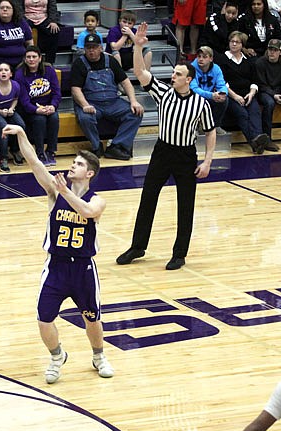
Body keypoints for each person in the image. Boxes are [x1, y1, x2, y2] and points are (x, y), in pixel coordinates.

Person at [2, 124, 114, 384]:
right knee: (44, 318)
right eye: (72, 162)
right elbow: (33, 162)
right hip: (56, 266)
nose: (71, 166)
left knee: (92, 317)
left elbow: (87, 212)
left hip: (83, 268)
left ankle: (99, 356)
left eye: (77, 163)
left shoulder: (98, 199)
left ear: (90, 173)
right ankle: (56, 356)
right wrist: (21, 133)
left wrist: (65, 192)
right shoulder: (55, 191)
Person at [116, 22, 215, 270]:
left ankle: (179, 253)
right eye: (173, 73)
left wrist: (207, 160)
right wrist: (138, 47)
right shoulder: (163, 92)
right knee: (148, 197)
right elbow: (140, 73)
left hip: (185, 155)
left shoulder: (201, 104)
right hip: (162, 151)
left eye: (178, 74)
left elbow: (211, 131)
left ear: (189, 80)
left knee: (185, 204)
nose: (173, 76)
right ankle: (138, 246)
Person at [71, 33, 144, 160]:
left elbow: (126, 82)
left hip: (113, 102)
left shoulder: (110, 61)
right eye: (88, 47)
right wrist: (85, 105)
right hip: (92, 103)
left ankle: (116, 146)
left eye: (94, 47)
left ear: (100, 48)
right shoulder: (79, 63)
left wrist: (133, 101)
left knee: (136, 113)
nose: (91, 51)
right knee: (85, 117)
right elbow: (75, 89)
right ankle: (96, 147)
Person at [216, 31, 271, 154]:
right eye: (232, 41)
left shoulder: (249, 60)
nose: (234, 44)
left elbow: (254, 80)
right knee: (242, 114)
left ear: (242, 45)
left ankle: (257, 141)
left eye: (237, 42)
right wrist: (235, 97)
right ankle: (255, 142)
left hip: (247, 94)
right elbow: (221, 83)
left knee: (255, 111)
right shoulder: (222, 59)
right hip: (230, 95)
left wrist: (251, 93)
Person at [15, 45, 61, 166]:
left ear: (40, 58)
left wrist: (53, 106)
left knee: (54, 118)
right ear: (25, 59)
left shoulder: (49, 70)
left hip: (48, 106)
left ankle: (51, 151)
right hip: (30, 110)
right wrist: (37, 110)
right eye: (28, 57)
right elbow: (24, 101)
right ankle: (39, 152)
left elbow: (57, 92)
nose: (31, 59)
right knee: (39, 120)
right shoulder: (20, 74)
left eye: (34, 57)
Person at [190, 45, 229, 133]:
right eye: (199, 56)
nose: (200, 59)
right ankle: (197, 126)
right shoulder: (191, 68)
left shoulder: (216, 69)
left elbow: (222, 84)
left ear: (211, 59)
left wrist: (223, 93)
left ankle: (216, 125)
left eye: (204, 57)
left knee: (224, 100)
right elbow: (193, 89)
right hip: (195, 97)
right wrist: (211, 95)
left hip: (211, 96)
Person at [19, 0, 60, 64]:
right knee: (22, 31)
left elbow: (53, 7)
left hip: (44, 18)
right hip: (27, 18)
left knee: (54, 30)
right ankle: (25, 61)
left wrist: (53, 21)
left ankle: (49, 63)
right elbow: (19, 10)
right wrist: (24, 24)